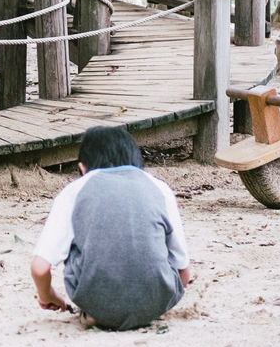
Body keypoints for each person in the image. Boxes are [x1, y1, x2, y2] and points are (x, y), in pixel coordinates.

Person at [29, 125, 191, 331]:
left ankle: (98, 314)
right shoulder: (159, 188)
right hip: (155, 301)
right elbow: (182, 267)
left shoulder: (75, 190)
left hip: (96, 300)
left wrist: (47, 295)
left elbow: (39, 268)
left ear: (82, 168)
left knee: (76, 244)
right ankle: (140, 313)